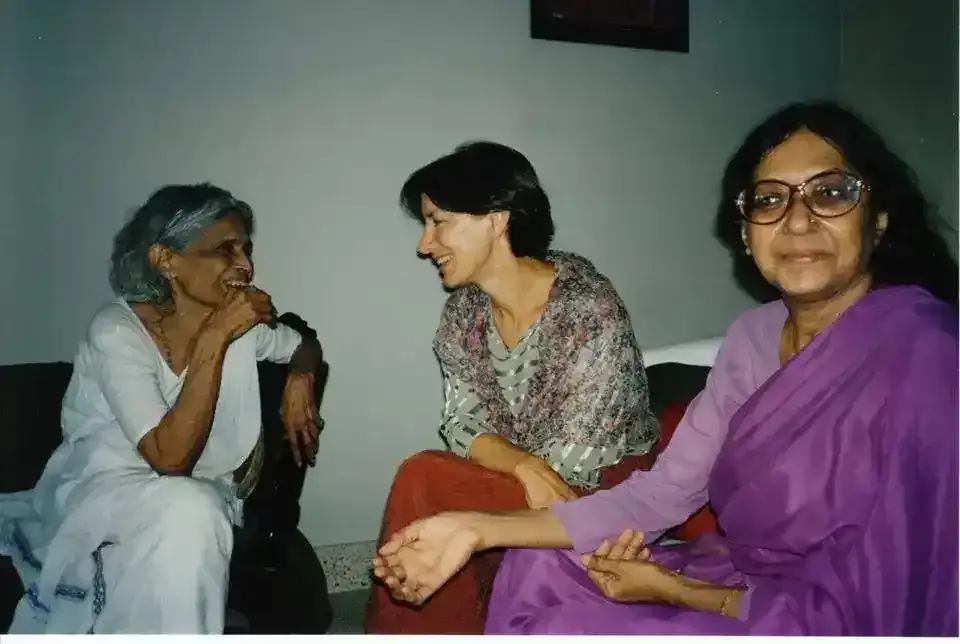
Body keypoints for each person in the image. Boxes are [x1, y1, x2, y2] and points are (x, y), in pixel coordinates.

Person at [372, 102, 959, 636]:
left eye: (830, 194)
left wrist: (678, 590)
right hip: (741, 574)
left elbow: (886, 601)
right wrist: (478, 525)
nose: (798, 222)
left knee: (433, 479)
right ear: (747, 231)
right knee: (530, 560)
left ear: (877, 220)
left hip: (815, 614)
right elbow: (661, 491)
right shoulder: (753, 337)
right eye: (771, 199)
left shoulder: (925, 353)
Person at [0, 183, 323, 634]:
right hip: (101, 495)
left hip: (197, 496)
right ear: (165, 260)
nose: (245, 265)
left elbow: (302, 344)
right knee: (190, 508)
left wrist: (301, 378)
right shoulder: (117, 331)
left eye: (246, 249)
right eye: (224, 249)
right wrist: (216, 336)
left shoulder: (243, 331)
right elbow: (169, 459)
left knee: (192, 509)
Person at [365, 141, 660, 633]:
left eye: (438, 221)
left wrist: (507, 466)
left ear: (496, 219)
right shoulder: (464, 311)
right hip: (522, 477)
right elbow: (460, 422)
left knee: (425, 479)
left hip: (603, 488)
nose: (424, 244)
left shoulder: (587, 308)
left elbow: (572, 472)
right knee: (428, 484)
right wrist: (518, 462)